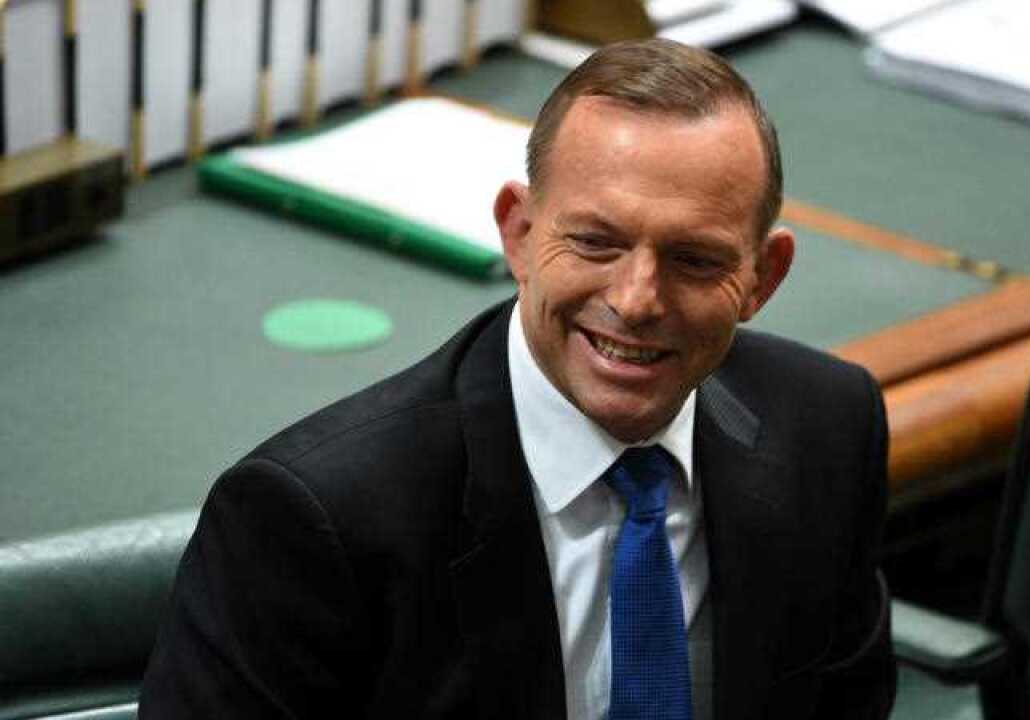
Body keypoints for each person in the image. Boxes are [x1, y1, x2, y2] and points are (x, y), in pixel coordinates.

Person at [140, 38, 895, 719]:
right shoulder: (314, 518)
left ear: (763, 276)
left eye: (694, 260)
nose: (636, 301)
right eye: (596, 242)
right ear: (520, 233)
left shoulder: (827, 426)